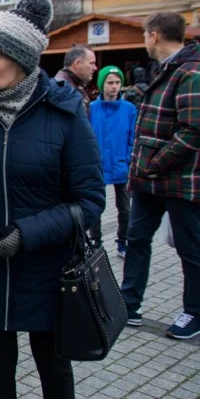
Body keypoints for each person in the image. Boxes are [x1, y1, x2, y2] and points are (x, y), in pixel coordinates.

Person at [0, 0, 105, 399]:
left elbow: (90, 201)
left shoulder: (64, 114)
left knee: (54, 370)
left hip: (51, 273)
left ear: (21, 61)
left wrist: (27, 234)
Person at [120, 12, 200, 339]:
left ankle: (194, 313)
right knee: (137, 240)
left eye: (146, 34)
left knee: (190, 247)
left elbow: (196, 129)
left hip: (179, 181)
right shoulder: (167, 68)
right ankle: (129, 303)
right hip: (150, 180)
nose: (145, 40)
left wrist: (156, 162)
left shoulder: (193, 72)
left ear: (155, 35)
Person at [89, 66, 137, 257]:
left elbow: (133, 136)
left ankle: (123, 241)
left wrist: (129, 158)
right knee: (96, 207)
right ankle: (95, 241)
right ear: (102, 84)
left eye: (117, 82)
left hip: (121, 165)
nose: (114, 86)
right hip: (98, 165)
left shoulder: (129, 109)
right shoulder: (92, 108)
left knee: (125, 208)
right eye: (110, 82)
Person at [54, 44, 97, 113]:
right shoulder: (64, 90)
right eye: (91, 63)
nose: (95, 68)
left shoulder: (71, 86)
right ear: (77, 64)